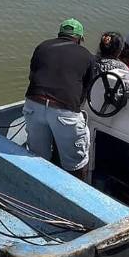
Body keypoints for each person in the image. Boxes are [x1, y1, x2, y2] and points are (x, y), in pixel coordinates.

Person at [24, 19, 97, 179]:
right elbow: (86, 89)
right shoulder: (87, 56)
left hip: (33, 106)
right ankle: (75, 197)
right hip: (64, 111)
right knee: (75, 164)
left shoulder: (42, 47)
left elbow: (32, 76)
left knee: (37, 158)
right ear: (79, 38)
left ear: (59, 35)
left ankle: (35, 189)